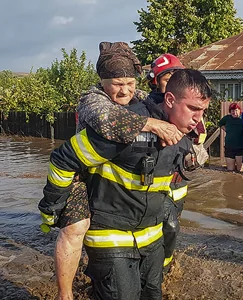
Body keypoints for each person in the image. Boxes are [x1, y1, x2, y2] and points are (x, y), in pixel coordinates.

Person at [39, 67, 212, 299]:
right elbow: (63, 159)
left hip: (151, 237)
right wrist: (52, 207)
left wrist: (191, 160)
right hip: (111, 236)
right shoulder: (124, 127)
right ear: (170, 99)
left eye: (203, 111)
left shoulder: (183, 131)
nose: (198, 119)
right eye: (193, 109)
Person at [147, 53, 208, 272]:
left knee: (172, 226)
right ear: (157, 81)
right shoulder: (148, 109)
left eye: (176, 75)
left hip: (177, 181)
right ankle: (157, 267)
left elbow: (199, 136)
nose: (172, 80)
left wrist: (197, 154)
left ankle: (165, 262)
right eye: (167, 77)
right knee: (164, 226)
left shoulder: (191, 111)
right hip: (154, 182)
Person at [218, 102, 243, 172]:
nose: (234, 112)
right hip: (229, 147)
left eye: (236, 110)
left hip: (241, 147)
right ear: (230, 111)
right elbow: (220, 123)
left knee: (240, 170)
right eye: (232, 110)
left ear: (239, 110)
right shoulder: (227, 118)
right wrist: (226, 129)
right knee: (230, 170)